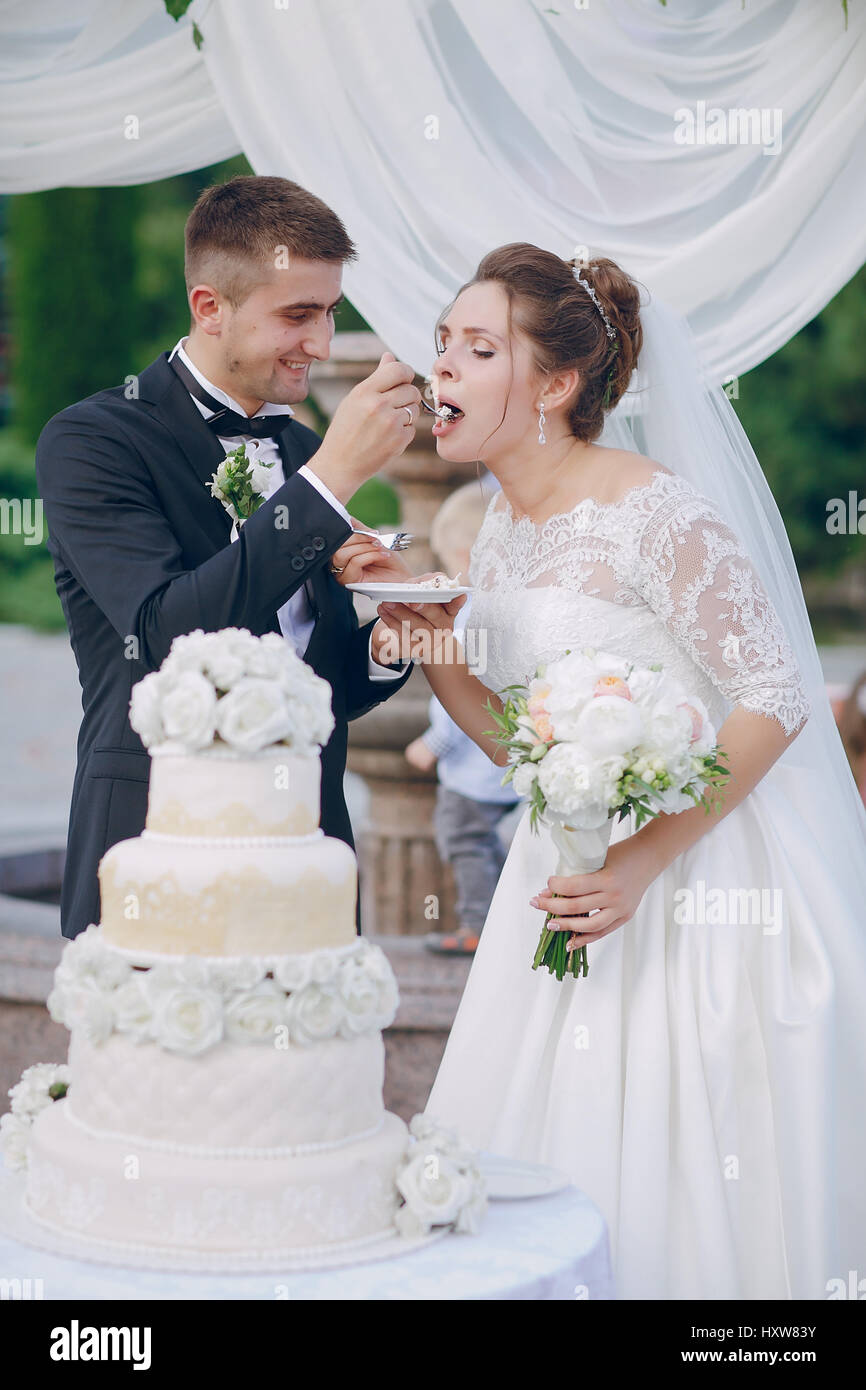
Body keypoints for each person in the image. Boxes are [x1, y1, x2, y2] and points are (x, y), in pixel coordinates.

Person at [370, 243, 866, 1299]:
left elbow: (774, 695)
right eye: (441, 345)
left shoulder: (657, 510)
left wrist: (639, 860)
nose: (440, 370)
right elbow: (522, 746)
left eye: (476, 347)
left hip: (697, 884)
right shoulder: (500, 528)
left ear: (553, 386)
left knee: (670, 1170)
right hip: (559, 880)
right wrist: (428, 641)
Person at [35, 174, 420, 940]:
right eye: (298, 315)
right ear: (210, 308)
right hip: (150, 847)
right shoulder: (94, 441)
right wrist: (333, 480)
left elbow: (320, 691)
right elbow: (166, 633)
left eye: (331, 313)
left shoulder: (303, 452)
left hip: (305, 852)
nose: (320, 342)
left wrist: (387, 639)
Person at [404, 483, 519, 954]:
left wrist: (431, 745)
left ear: (460, 553)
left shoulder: (468, 614)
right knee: (487, 842)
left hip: (472, 771)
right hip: (502, 769)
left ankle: (479, 926)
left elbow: (462, 697)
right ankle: (503, 917)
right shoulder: (505, 611)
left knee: (462, 838)